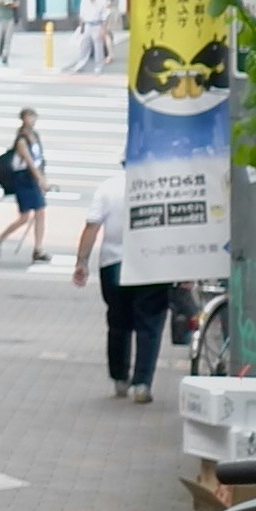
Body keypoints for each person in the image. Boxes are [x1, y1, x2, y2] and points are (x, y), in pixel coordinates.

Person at [73, 171, 172, 400]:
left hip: (113, 263)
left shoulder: (109, 187)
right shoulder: (165, 186)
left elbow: (92, 226)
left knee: (118, 322)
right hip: (154, 264)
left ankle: (119, 378)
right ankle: (142, 383)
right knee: (150, 325)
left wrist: (82, 262)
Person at [0, 110, 48, 253]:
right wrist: (40, 179)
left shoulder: (34, 136)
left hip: (32, 178)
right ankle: (0, 240)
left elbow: (39, 159)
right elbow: (29, 162)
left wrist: (42, 177)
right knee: (28, 215)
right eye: (29, 117)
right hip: (24, 178)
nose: (32, 120)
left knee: (35, 214)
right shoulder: (22, 139)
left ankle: (37, 247)